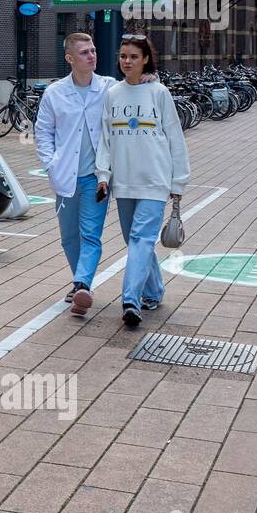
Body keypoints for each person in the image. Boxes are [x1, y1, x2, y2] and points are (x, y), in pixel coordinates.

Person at [95, 34, 191, 330]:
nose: (127, 61)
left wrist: (179, 182)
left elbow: (175, 137)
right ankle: (154, 290)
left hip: (155, 180)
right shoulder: (112, 94)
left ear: (145, 59)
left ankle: (130, 300)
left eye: (134, 57)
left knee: (141, 239)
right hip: (123, 181)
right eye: (123, 56)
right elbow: (105, 138)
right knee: (134, 241)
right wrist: (103, 175)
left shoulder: (158, 92)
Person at [35, 33, 117, 317]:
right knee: (69, 237)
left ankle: (82, 284)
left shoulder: (109, 88)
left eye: (93, 50)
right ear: (70, 58)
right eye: (84, 52)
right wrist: (50, 163)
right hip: (66, 178)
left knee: (90, 234)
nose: (92, 55)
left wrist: (148, 79)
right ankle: (80, 284)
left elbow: (136, 91)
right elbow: (43, 132)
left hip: (98, 179)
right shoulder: (54, 93)